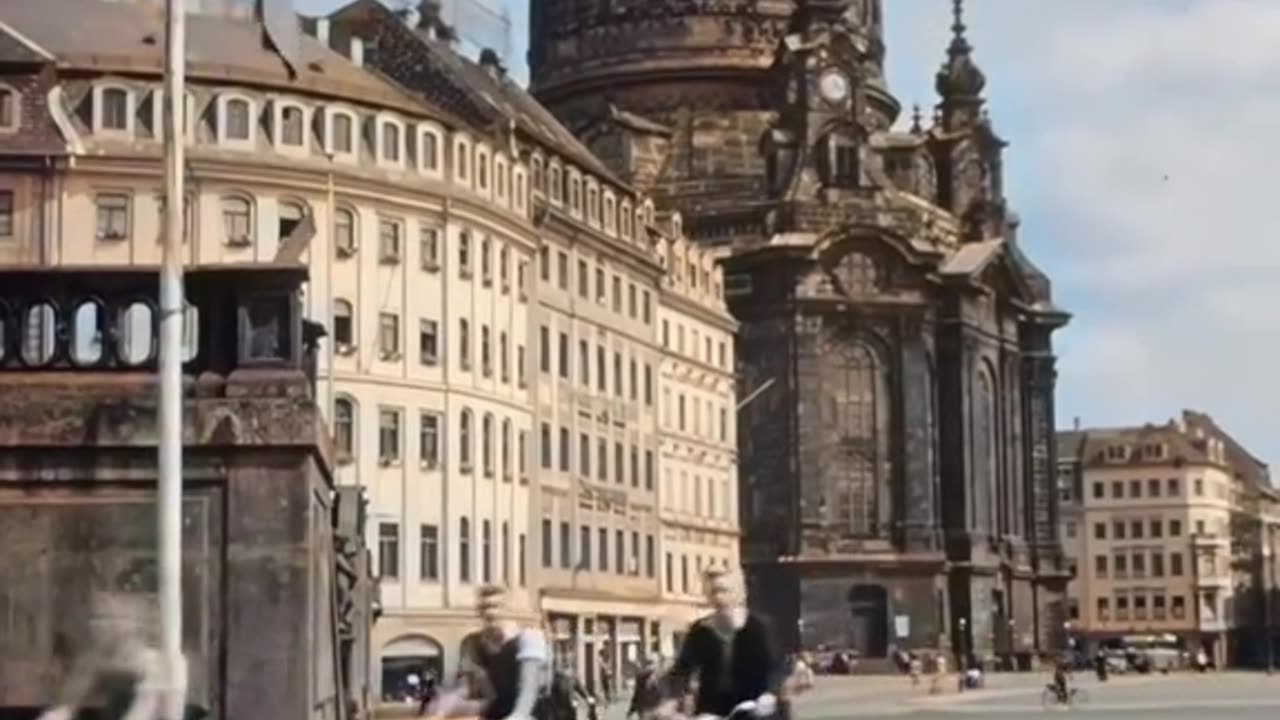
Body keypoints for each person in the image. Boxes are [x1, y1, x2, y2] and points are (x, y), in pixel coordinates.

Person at [656, 568, 784, 719]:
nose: (718, 597)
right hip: (713, 709)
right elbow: (682, 671)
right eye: (713, 592)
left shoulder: (758, 627)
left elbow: (776, 667)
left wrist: (770, 693)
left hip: (755, 706)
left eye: (724, 591)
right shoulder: (701, 631)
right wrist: (671, 701)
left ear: (739, 594)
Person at [428, 584, 550, 720]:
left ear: (508, 609)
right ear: (479, 611)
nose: (490, 612)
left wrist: (517, 716)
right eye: (485, 607)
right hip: (495, 714)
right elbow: (471, 686)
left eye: (496, 606)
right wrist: (446, 704)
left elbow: (529, 690)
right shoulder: (474, 643)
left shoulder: (529, 638)